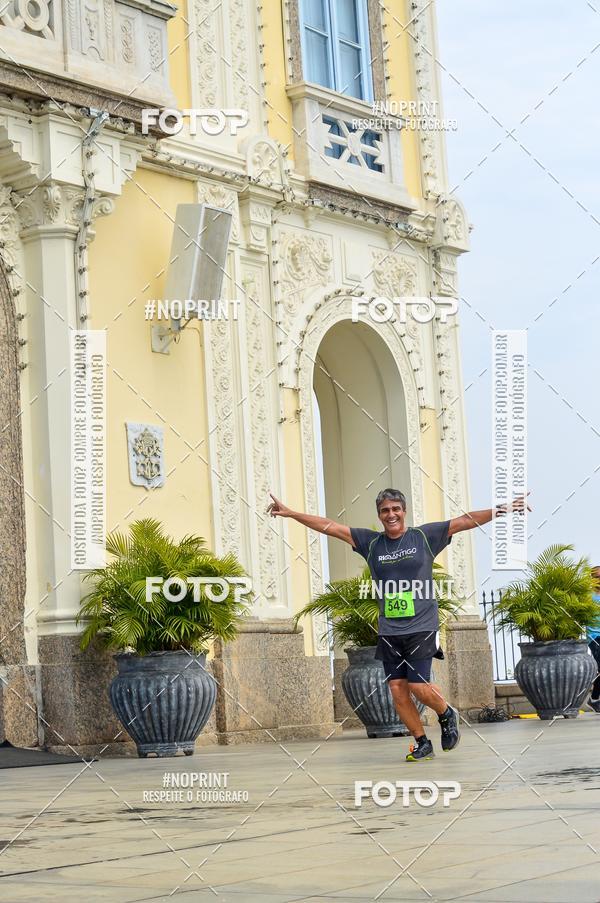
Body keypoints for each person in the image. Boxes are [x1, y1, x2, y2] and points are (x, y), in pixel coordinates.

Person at [267, 487, 530, 761]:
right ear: (379, 515)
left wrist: (506, 509)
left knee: (418, 686)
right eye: (385, 511)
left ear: (404, 511)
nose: (390, 514)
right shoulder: (370, 543)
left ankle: (446, 713)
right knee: (397, 689)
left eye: (395, 509)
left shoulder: (424, 537)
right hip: (390, 629)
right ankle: (422, 742)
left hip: (422, 625)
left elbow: (466, 520)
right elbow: (329, 526)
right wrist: (291, 513)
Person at [588, 565, 600, 713]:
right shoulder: (587, 596)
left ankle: (594, 699)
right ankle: (594, 699)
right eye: (597, 577)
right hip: (595, 636)